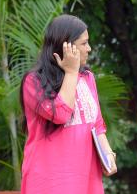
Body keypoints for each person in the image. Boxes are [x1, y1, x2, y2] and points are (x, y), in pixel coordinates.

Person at [20, 14, 117, 194]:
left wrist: (108, 155)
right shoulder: (33, 81)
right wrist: (71, 73)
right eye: (83, 43)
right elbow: (61, 115)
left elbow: (97, 125)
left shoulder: (87, 78)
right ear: (65, 46)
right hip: (50, 180)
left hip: (86, 176)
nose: (89, 48)